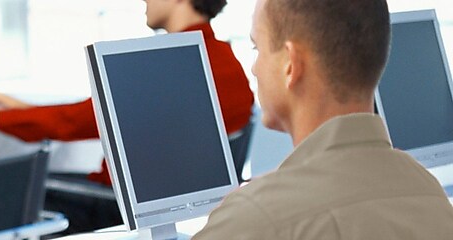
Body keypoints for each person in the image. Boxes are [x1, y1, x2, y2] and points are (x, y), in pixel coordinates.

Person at [194, 0, 453, 238]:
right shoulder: (429, 192)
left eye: (257, 48)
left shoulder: (253, 220)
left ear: (289, 64)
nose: (254, 67)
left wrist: (247, 206)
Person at [0, 0, 254, 186]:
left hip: (117, 207)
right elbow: (94, 113)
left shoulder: (164, 62)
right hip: (185, 207)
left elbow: (75, 122)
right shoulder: (228, 63)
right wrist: (21, 107)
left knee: (12, 187)